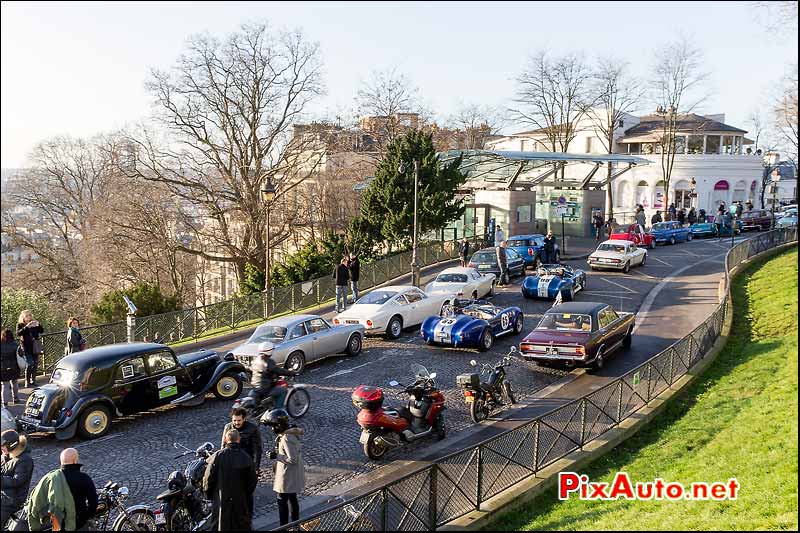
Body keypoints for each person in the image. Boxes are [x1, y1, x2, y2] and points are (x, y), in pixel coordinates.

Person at [203, 429, 257, 531]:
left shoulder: (217, 457)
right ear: (239, 439)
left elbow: (208, 479)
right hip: (240, 500)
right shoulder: (245, 457)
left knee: (220, 524)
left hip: (221, 499)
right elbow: (252, 481)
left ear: (225, 439)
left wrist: (209, 494)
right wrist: (245, 494)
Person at [264, 410, 305, 527]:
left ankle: (284, 526)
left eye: (273, 426)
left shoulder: (287, 438)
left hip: (287, 476)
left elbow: (293, 459)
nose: (272, 429)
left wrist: (276, 456)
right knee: (292, 498)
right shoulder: (290, 432)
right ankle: (295, 525)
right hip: (291, 474)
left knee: (282, 501)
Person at [1, 430, 34, 529]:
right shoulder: (7, 455)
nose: (1, 448)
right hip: (4, 495)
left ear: (11, 445)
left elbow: (17, 481)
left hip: (12, 499)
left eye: (3, 446)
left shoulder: (25, 460)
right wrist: (5, 457)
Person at [59, 448, 98, 530]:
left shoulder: (53, 478)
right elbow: (93, 502)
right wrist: (87, 516)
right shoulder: (83, 478)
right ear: (74, 460)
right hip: (78, 523)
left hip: (59, 523)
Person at [221, 407, 263, 474]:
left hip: (246, 461)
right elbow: (223, 445)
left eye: (239, 420)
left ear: (244, 419)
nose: (236, 423)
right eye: (234, 420)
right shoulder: (228, 427)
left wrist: (256, 467)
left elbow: (257, 449)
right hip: (231, 460)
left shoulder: (252, 429)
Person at [16, 310, 44, 388]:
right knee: (30, 363)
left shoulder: (34, 323)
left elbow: (41, 331)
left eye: (30, 315)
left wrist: (38, 325)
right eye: (27, 316)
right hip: (26, 347)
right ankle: (27, 380)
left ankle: (33, 380)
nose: (29, 317)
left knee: (35, 364)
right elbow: (18, 333)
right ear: (23, 317)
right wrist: (27, 327)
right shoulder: (20, 325)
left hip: (34, 347)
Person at [1, 329, 21, 407]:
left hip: (3, 368)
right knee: (15, 382)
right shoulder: (15, 344)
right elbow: (21, 355)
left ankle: (4, 403)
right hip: (14, 367)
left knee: (5, 385)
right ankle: (15, 398)